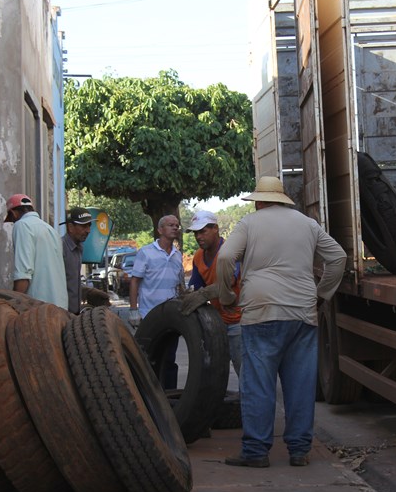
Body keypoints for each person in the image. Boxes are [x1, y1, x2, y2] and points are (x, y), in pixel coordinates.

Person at [216, 176, 346, 468]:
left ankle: (256, 452)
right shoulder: (307, 224)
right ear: (282, 199)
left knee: (259, 384)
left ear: (259, 201)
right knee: (300, 384)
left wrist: (226, 296)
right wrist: (322, 294)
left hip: (261, 311)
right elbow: (338, 257)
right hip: (302, 311)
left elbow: (225, 258)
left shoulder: (250, 224)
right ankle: (299, 451)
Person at [180, 210, 242, 378]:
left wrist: (203, 294)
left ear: (215, 228)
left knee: (242, 367)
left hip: (239, 320)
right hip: (217, 322)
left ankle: (250, 403)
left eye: (202, 231)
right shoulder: (199, 256)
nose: (198, 236)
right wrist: (187, 294)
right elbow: (195, 286)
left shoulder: (230, 251)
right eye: (195, 233)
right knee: (216, 370)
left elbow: (228, 281)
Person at [129, 214, 184, 388]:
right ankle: (149, 398)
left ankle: (169, 398)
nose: (175, 227)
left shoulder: (177, 255)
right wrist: (133, 310)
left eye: (177, 225)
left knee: (169, 360)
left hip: (171, 317)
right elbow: (135, 281)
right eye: (170, 225)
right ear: (160, 230)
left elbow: (180, 286)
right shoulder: (146, 253)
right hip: (149, 315)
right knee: (149, 359)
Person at [4, 193, 68, 309]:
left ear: (13, 213)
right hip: (60, 306)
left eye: (12, 220)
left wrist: (14, 304)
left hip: (38, 309)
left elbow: (23, 272)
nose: (13, 222)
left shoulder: (22, 225)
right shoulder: (50, 229)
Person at [60, 206, 110, 313]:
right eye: (83, 226)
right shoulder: (60, 248)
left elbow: (72, 281)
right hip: (61, 313)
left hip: (74, 313)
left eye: (89, 226)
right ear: (70, 227)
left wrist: (88, 292)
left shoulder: (79, 248)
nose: (88, 231)